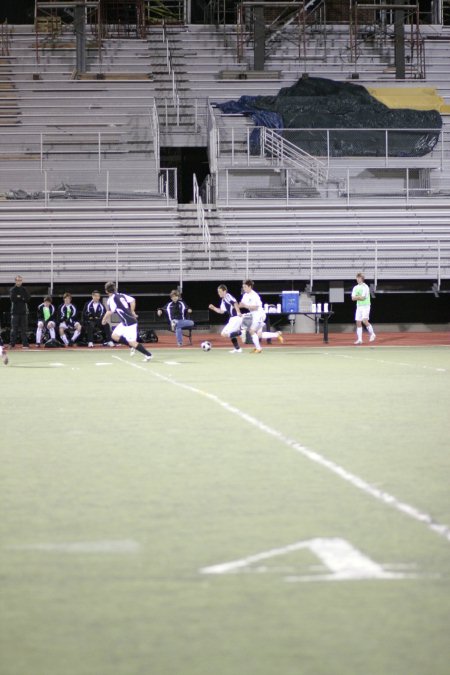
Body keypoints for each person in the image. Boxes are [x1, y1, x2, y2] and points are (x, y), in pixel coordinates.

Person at [102, 282, 152, 361]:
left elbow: (110, 312)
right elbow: (132, 300)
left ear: (106, 291)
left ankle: (148, 355)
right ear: (115, 289)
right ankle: (131, 346)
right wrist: (132, 311)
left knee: (132, 342)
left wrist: (104, 320)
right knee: (114, 336)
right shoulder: (121, 295)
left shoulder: (112, 299)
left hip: (130, 323)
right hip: (125, 322)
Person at [239, 279, 283, 353]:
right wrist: (236, 305)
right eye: (243, 287)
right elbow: (241, 304)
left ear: (250, 287)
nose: (244, 288)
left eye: (245, 287)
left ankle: (258, 348)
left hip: (259, 314)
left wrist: (245, 306)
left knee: (252, 331)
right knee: (258, 335)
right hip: (254, 315)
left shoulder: (255, 295)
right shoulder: (245, 295)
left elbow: (256, 307)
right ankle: (276, 334)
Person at [209, 284, 243, 353]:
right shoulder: (223, 300)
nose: (219, 293)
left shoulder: (228, 296)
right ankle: (238, 348)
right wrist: (213, 308)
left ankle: (242, 333)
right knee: (231, 334)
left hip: (236, 318)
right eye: (218, 292)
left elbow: (235, 303)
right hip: (232, 319)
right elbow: (221, 311)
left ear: (225, 291)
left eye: (220, 291)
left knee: (224, 333)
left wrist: (238, 312)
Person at [351, 272, 376, 345]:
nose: (357, 279)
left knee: (365, 321)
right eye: (357, 278)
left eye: (359, 278)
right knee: (358, 322)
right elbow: (352, 298)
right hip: (359, 306)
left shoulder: (365, 287)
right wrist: (358, 297)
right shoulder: (355, 287)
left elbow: (363, 298)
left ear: (362, 279)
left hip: (366, 306)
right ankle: (359, 339)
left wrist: (357, 297)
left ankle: (372, 334)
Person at [10, 275, 30, 348]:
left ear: (22, 281)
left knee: (24, 330)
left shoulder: (24, 289)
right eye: (18, 280)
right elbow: (13, 299)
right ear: (15, 281)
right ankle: (12, 344)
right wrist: (22, 297)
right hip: (15, 313)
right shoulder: (13, 289)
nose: (19, 281)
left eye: (20, 280)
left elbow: (28, 298)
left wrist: (19, 297)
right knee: (14, 329)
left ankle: (25, 344)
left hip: (23, 313)